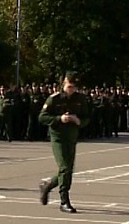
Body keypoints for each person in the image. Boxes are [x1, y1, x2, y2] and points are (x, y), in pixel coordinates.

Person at [37, 72, 92, 213]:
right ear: (64, 83)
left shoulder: (80, 99)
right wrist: (59, 119)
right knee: (65, 167)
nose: (71, 89)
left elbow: (86, 117)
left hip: (72, 137)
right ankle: (64, 200)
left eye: (74, 87)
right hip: (58, 137)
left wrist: (79, 121)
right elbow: (42, 117)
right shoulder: (54, 99)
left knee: (68, 170)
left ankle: (48, 185)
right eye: (69, 86)